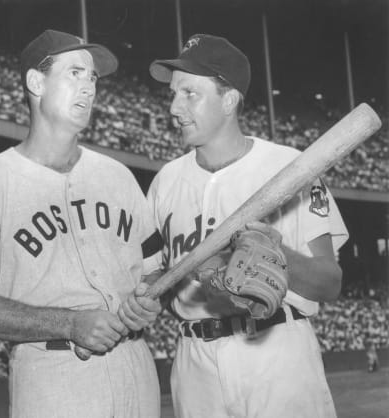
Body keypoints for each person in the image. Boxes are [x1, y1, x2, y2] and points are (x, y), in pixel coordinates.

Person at [0, 29, 163, 418]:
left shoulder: (118, 176)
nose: (88, 87)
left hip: (136, 365)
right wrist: (69, 323)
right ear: (36, 82)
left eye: (92, 78)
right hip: (55, 376)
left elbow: (155, 274)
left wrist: (149, 299)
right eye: (74, 73)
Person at [148, 34, 349, 418]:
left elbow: (330, 282)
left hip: (275, 354)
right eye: (173, 94)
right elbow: (159, 278)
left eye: (190, 93)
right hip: (194, 364)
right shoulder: (164, 183)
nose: (174, 107)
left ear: (229, 99)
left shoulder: (289, 167)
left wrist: (275, 258)